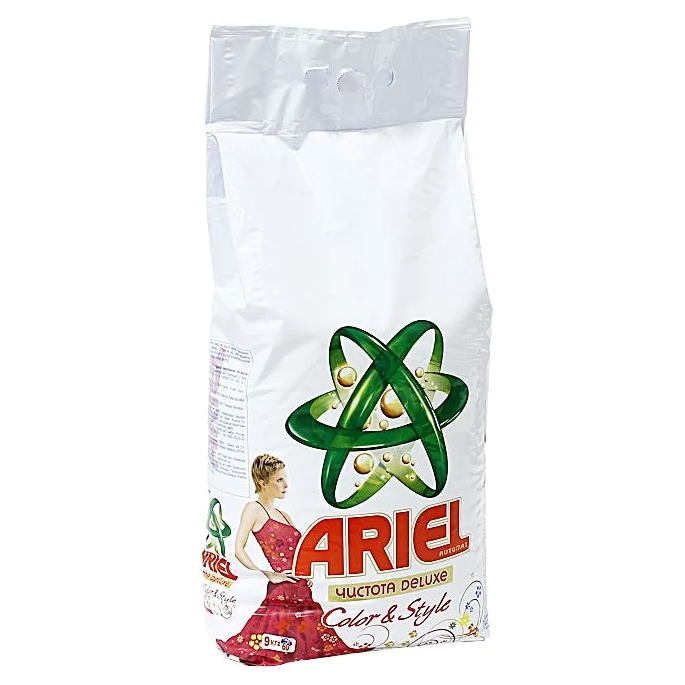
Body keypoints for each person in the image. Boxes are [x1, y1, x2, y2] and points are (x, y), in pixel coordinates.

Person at [216, 454, 368, 665]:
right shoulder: (254, 509)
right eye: (279, 479)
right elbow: (238, 549)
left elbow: (299, 551)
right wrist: (268, 573)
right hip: (282, 588)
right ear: (262, 482)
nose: (286, 485)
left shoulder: (285, 514)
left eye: (285, 479)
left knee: (314, 644)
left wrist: (306, 572)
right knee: (277, 642)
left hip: (301, 586)